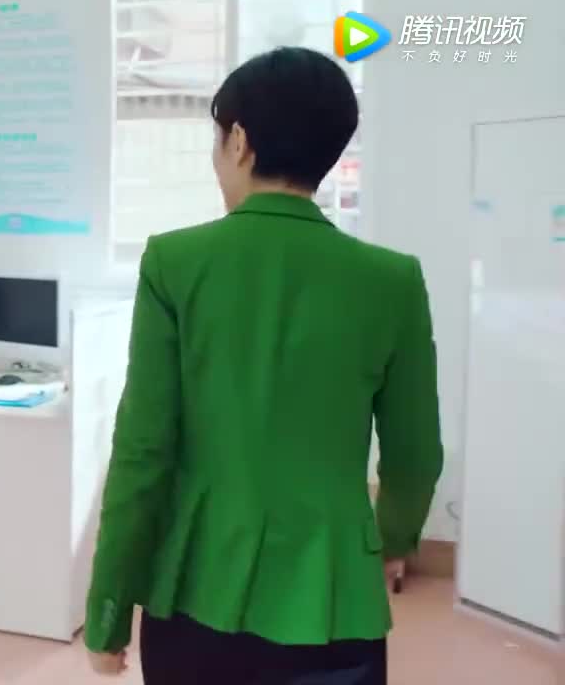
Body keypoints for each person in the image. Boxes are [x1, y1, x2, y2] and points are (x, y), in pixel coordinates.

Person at [84, 46, 443, 684]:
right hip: (334, 592)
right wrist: (391, 542)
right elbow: (415, 453)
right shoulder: (392, 279)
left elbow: (142, 452)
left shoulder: (174, 263)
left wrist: (108, 611)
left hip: (197, 587)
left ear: (239, 141)